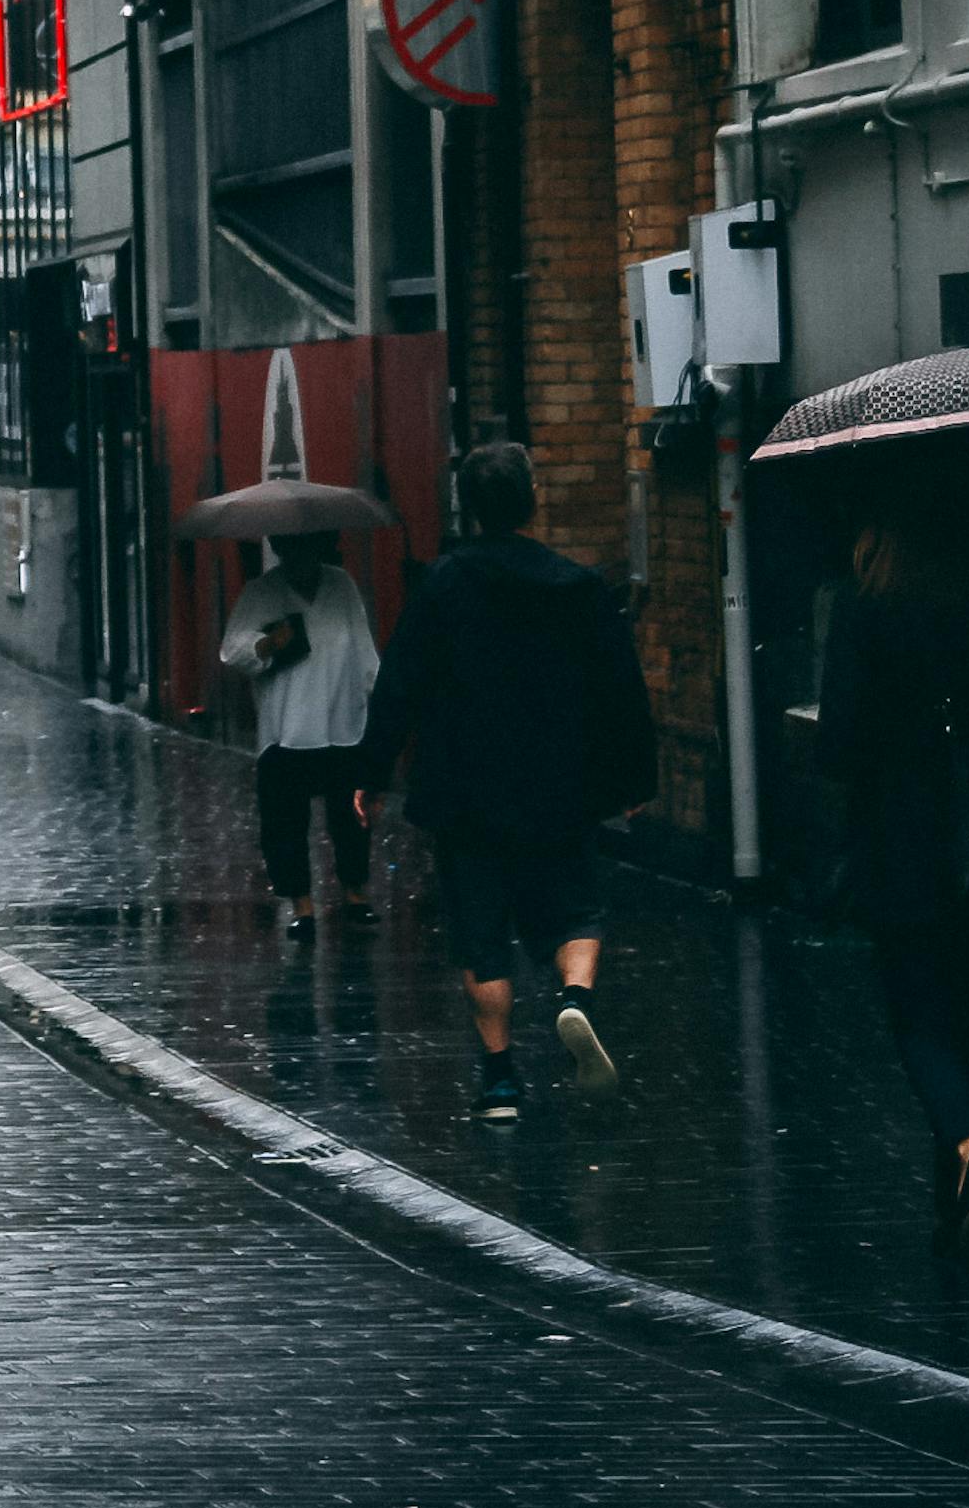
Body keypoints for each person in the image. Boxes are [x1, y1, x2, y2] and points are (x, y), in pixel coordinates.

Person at [360, 443, 655, 1124]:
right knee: (575, 911)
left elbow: (398, 683)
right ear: (531, 501)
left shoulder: (442, 585)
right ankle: (574, 998)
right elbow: (620, 691)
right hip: (562, 786)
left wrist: (369, 773)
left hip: (467, 794)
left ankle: (497, 1082)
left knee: (480, 933)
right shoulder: (578, 588)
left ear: (468, 505)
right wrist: (634, 775)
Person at [815, 481, 969, 1256]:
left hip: (899, 837)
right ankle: (958, 1201)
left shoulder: (865, 603)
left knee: (917, 1015)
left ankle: (968, 1149)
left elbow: (836, 742)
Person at [217, 530, 383, 939]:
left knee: (350, 817)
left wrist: (380, 704)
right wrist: (267, 644)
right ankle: (302, 906)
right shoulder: (261, 592)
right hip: (285, 729)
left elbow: (364, 651)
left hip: (343, 723)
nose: (301, 557)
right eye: (292, 549)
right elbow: (232, 649)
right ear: (281, 550)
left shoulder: (341, 586)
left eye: (309, 548)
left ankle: (355, 894)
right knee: (285, 823)